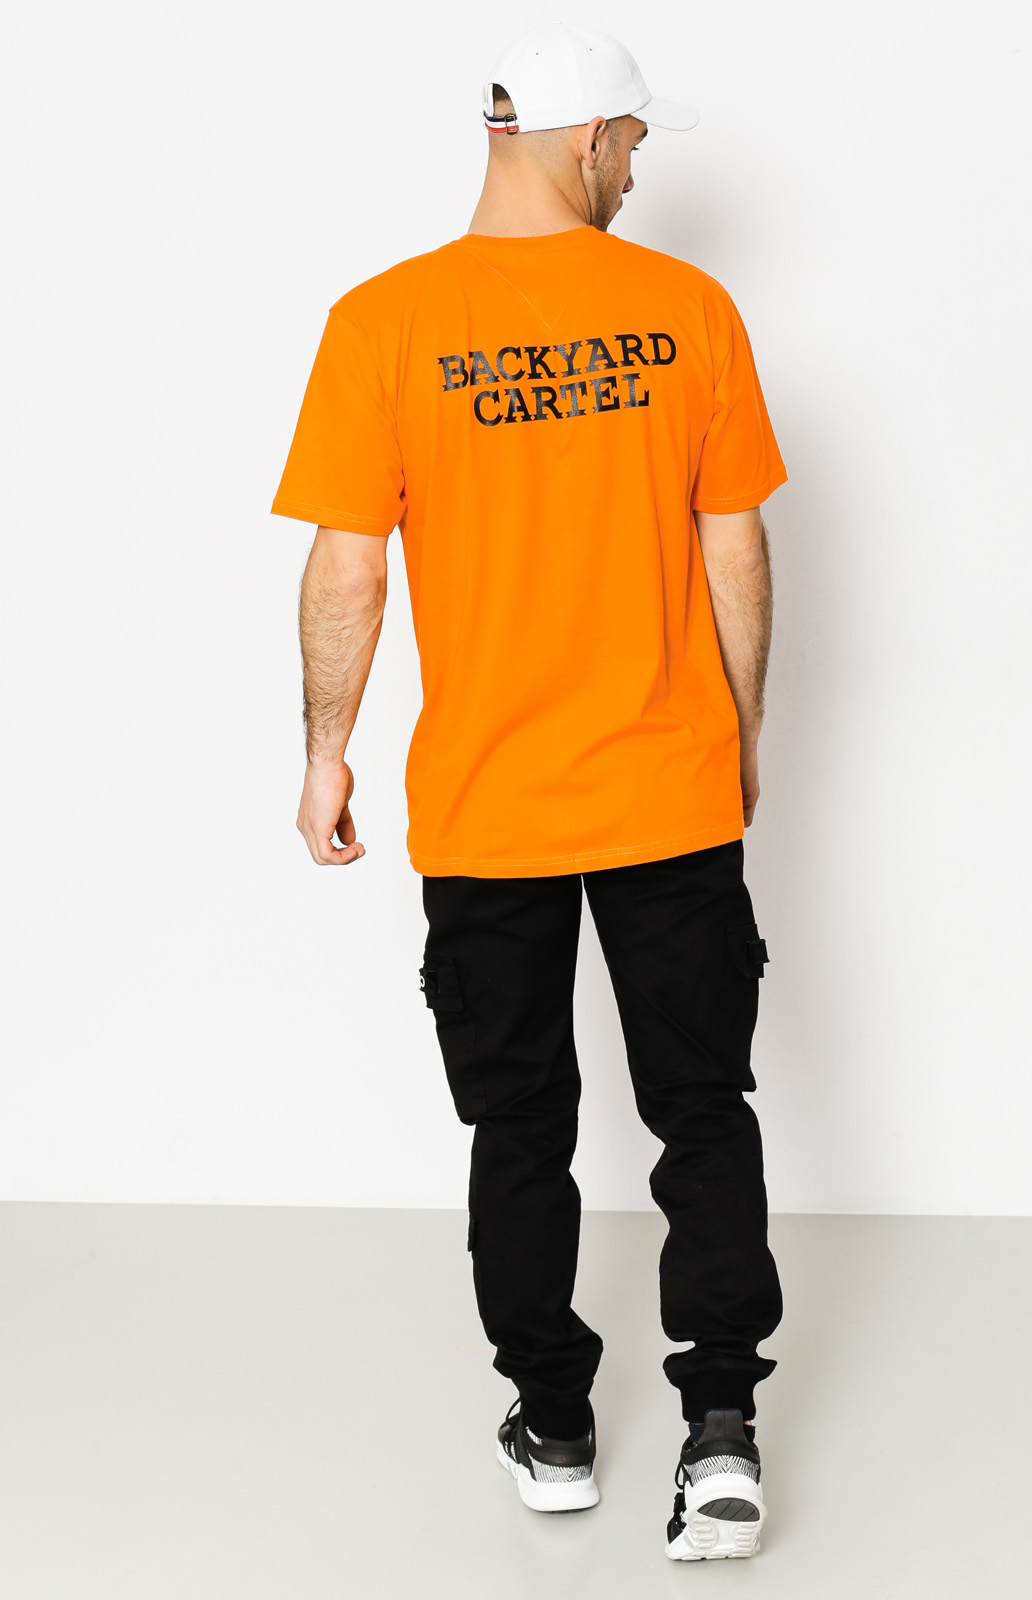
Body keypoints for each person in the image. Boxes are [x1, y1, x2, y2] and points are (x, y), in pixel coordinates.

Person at [270, 21, 786, 1562]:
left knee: (518, 1126)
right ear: (581, 140)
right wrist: (741, 733)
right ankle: (722, 1431)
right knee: (703, 1112)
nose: (637, 168)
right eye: (633, 141)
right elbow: (734, 544)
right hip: (669, 793)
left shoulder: (382, 323)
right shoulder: (688, 313)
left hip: (488, 809)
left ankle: (554, 1423)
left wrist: (324, 750)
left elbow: (348, 566)